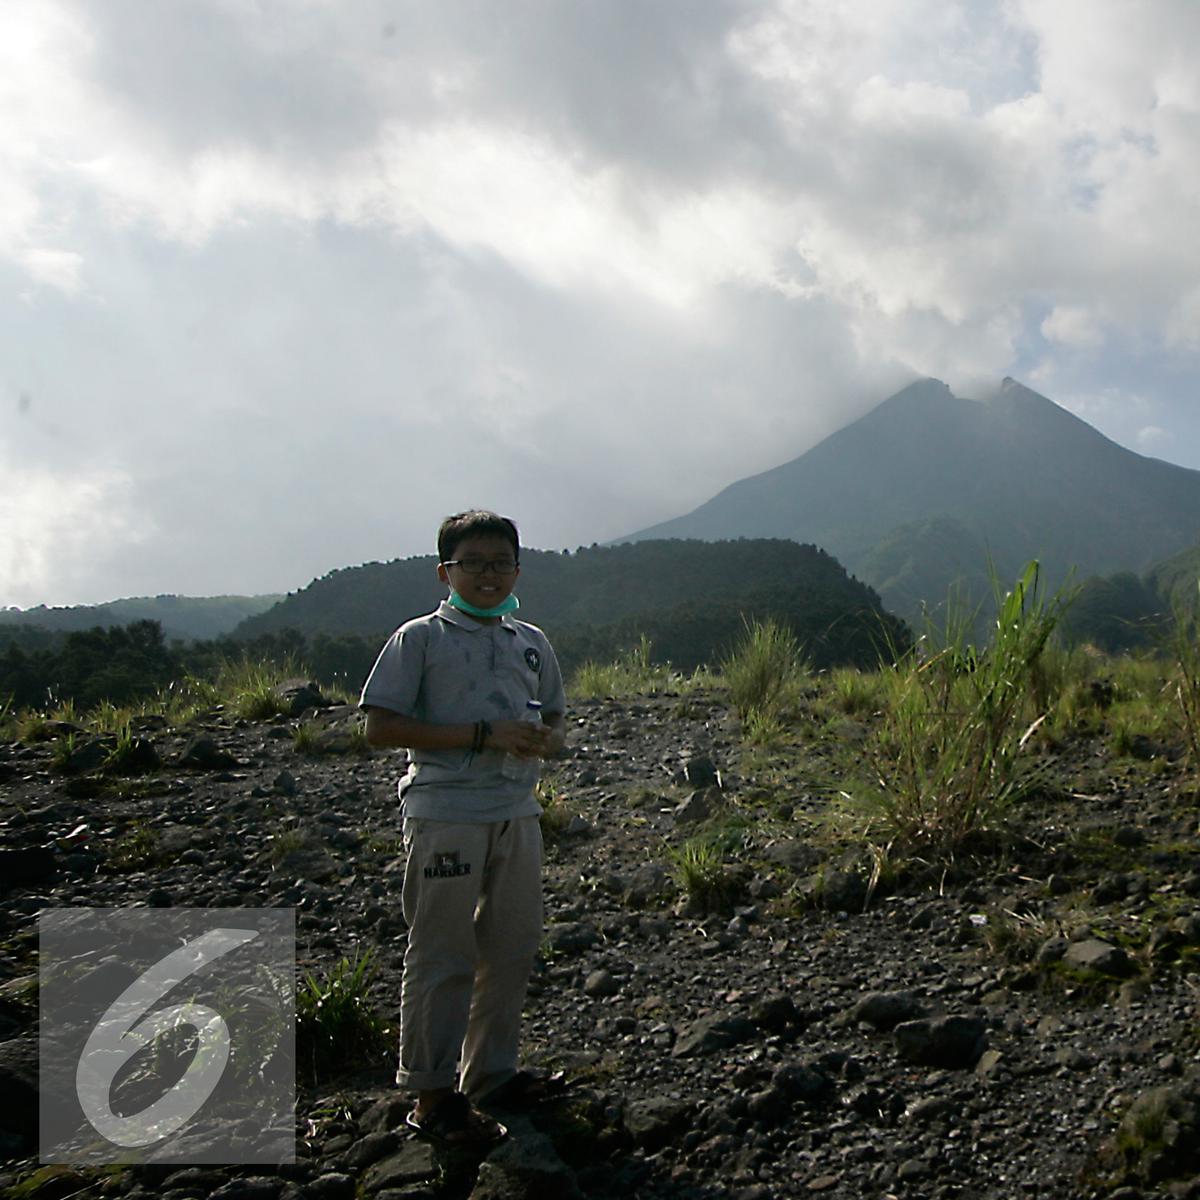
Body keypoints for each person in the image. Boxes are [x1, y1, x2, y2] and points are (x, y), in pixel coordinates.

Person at [360, 509, 566, 1148]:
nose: (488, 574)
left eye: (500, 562)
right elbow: (380, 727)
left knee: (512, 945)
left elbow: (557, 726)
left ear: (517, 571)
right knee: (442, 950)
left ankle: (491, 1079)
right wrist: (482, 735)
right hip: (445, 811)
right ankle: (431, 1096)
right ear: (444, 571)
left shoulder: (529, 640)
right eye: (473, 562)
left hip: (517, 812)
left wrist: (541, 743)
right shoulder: (419, 638)